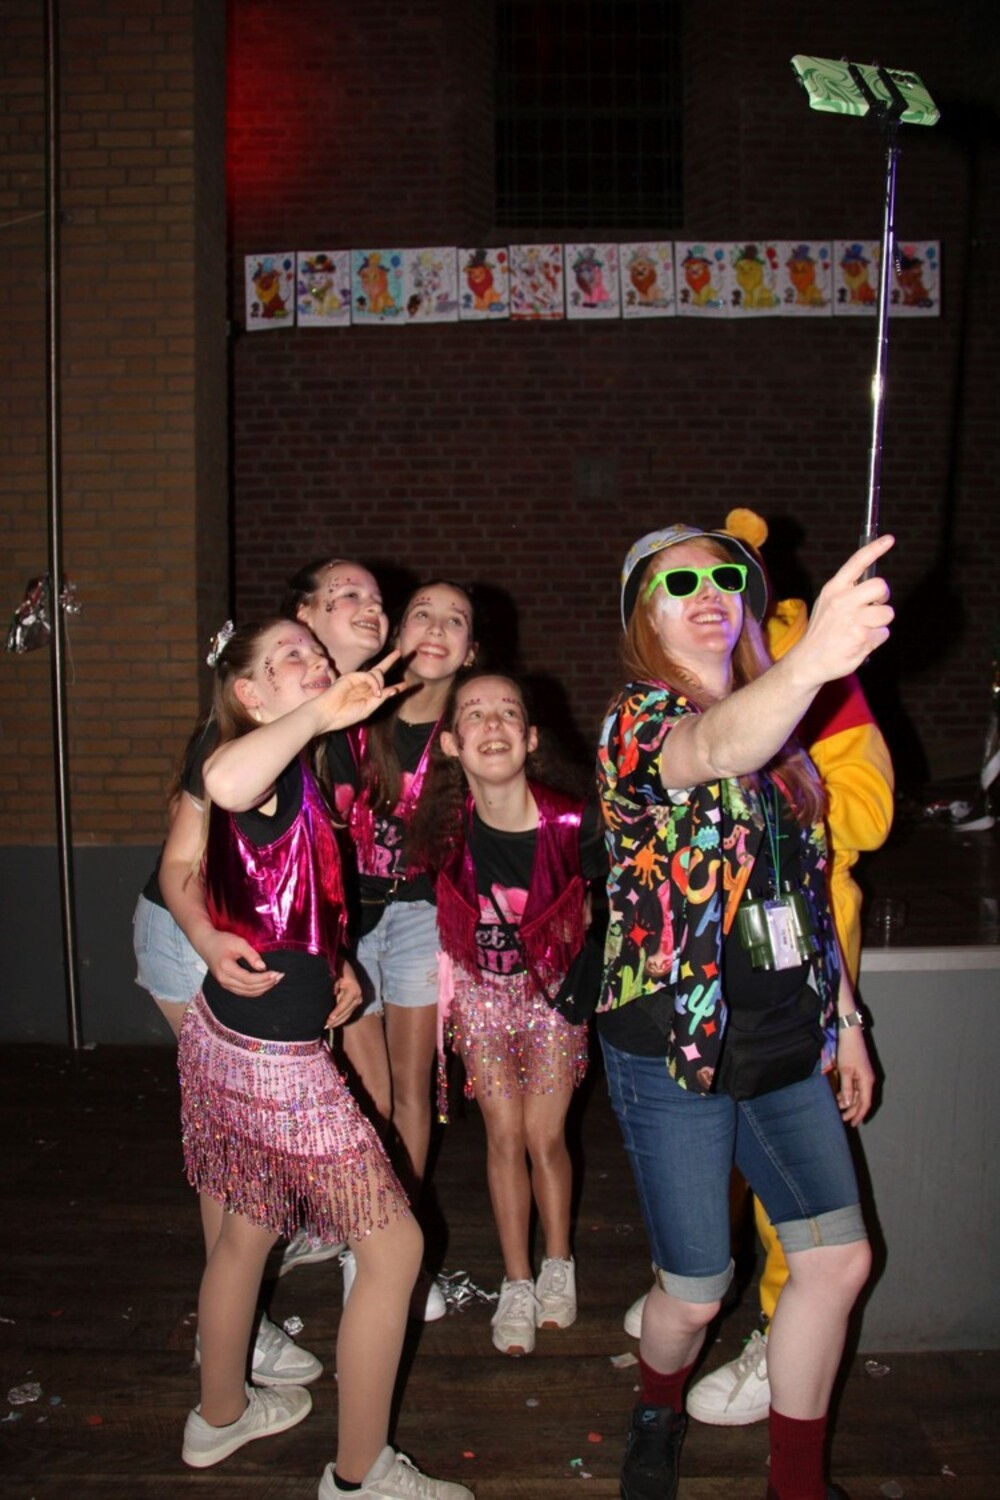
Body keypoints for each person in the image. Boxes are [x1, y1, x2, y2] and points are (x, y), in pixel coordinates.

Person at [597, 523, 894, 1500]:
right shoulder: (638, 719)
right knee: (694, 1295)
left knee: (836, 1262)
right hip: (672, 1046)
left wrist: (846, 1021)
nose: (709, 591)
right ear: (645, 616)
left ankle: (795, 1485)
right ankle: (656, 1404)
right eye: (678, 583)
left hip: (782, 1036)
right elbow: (713, 747)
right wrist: (811, 664)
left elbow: (804, 894)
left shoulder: (785, 732)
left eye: (727, 576)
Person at [176, 617, 473, 1500]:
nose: (313, 663)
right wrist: (317, 713)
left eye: (314, 650)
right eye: (290, 658)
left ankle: (219, 1417)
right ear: (249, 693)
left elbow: (269, 881)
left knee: (247, 1228)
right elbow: (224, 787)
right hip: (274, 1060)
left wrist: (332, 958)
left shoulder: (292, 761)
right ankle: (359, 1474)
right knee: (395, 1249)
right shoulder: (250, 758)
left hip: (233, 1034)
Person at [154, 555, 392, 1279]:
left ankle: (247, 1303)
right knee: (237, 1172)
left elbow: (307, 875)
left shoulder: (345, 722)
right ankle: (237, 1321)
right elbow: (182, 860)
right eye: (345, 595)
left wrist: (334, 955)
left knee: (251, 1193)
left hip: (282, 941)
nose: (370, 606)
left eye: (377, 596)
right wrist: (205, 937)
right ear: (304, 614)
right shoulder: (254, 727)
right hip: (196, 925)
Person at [408, 671, 604, 1355]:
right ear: (452, 744)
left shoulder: (575, 822)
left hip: (551, 998)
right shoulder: (442, 831)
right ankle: (517, 1281)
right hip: (481, 998)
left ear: (531, 737)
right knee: (502, 1136)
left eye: (508, 712)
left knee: (545, 1138)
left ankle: (558, 1263)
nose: (492, 724)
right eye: (474, 714)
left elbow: (620, 895)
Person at [324, 580, 478, 1319]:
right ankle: (364, 1240)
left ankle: (399, 1251)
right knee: (370, 1096)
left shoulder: (471, 726)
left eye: (456, 620)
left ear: (471, 651)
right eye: (423, 613)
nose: (437, 627)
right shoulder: (355, 708)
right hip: (347, 918)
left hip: (419, 914)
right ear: (397, 632)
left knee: (414, 1091)